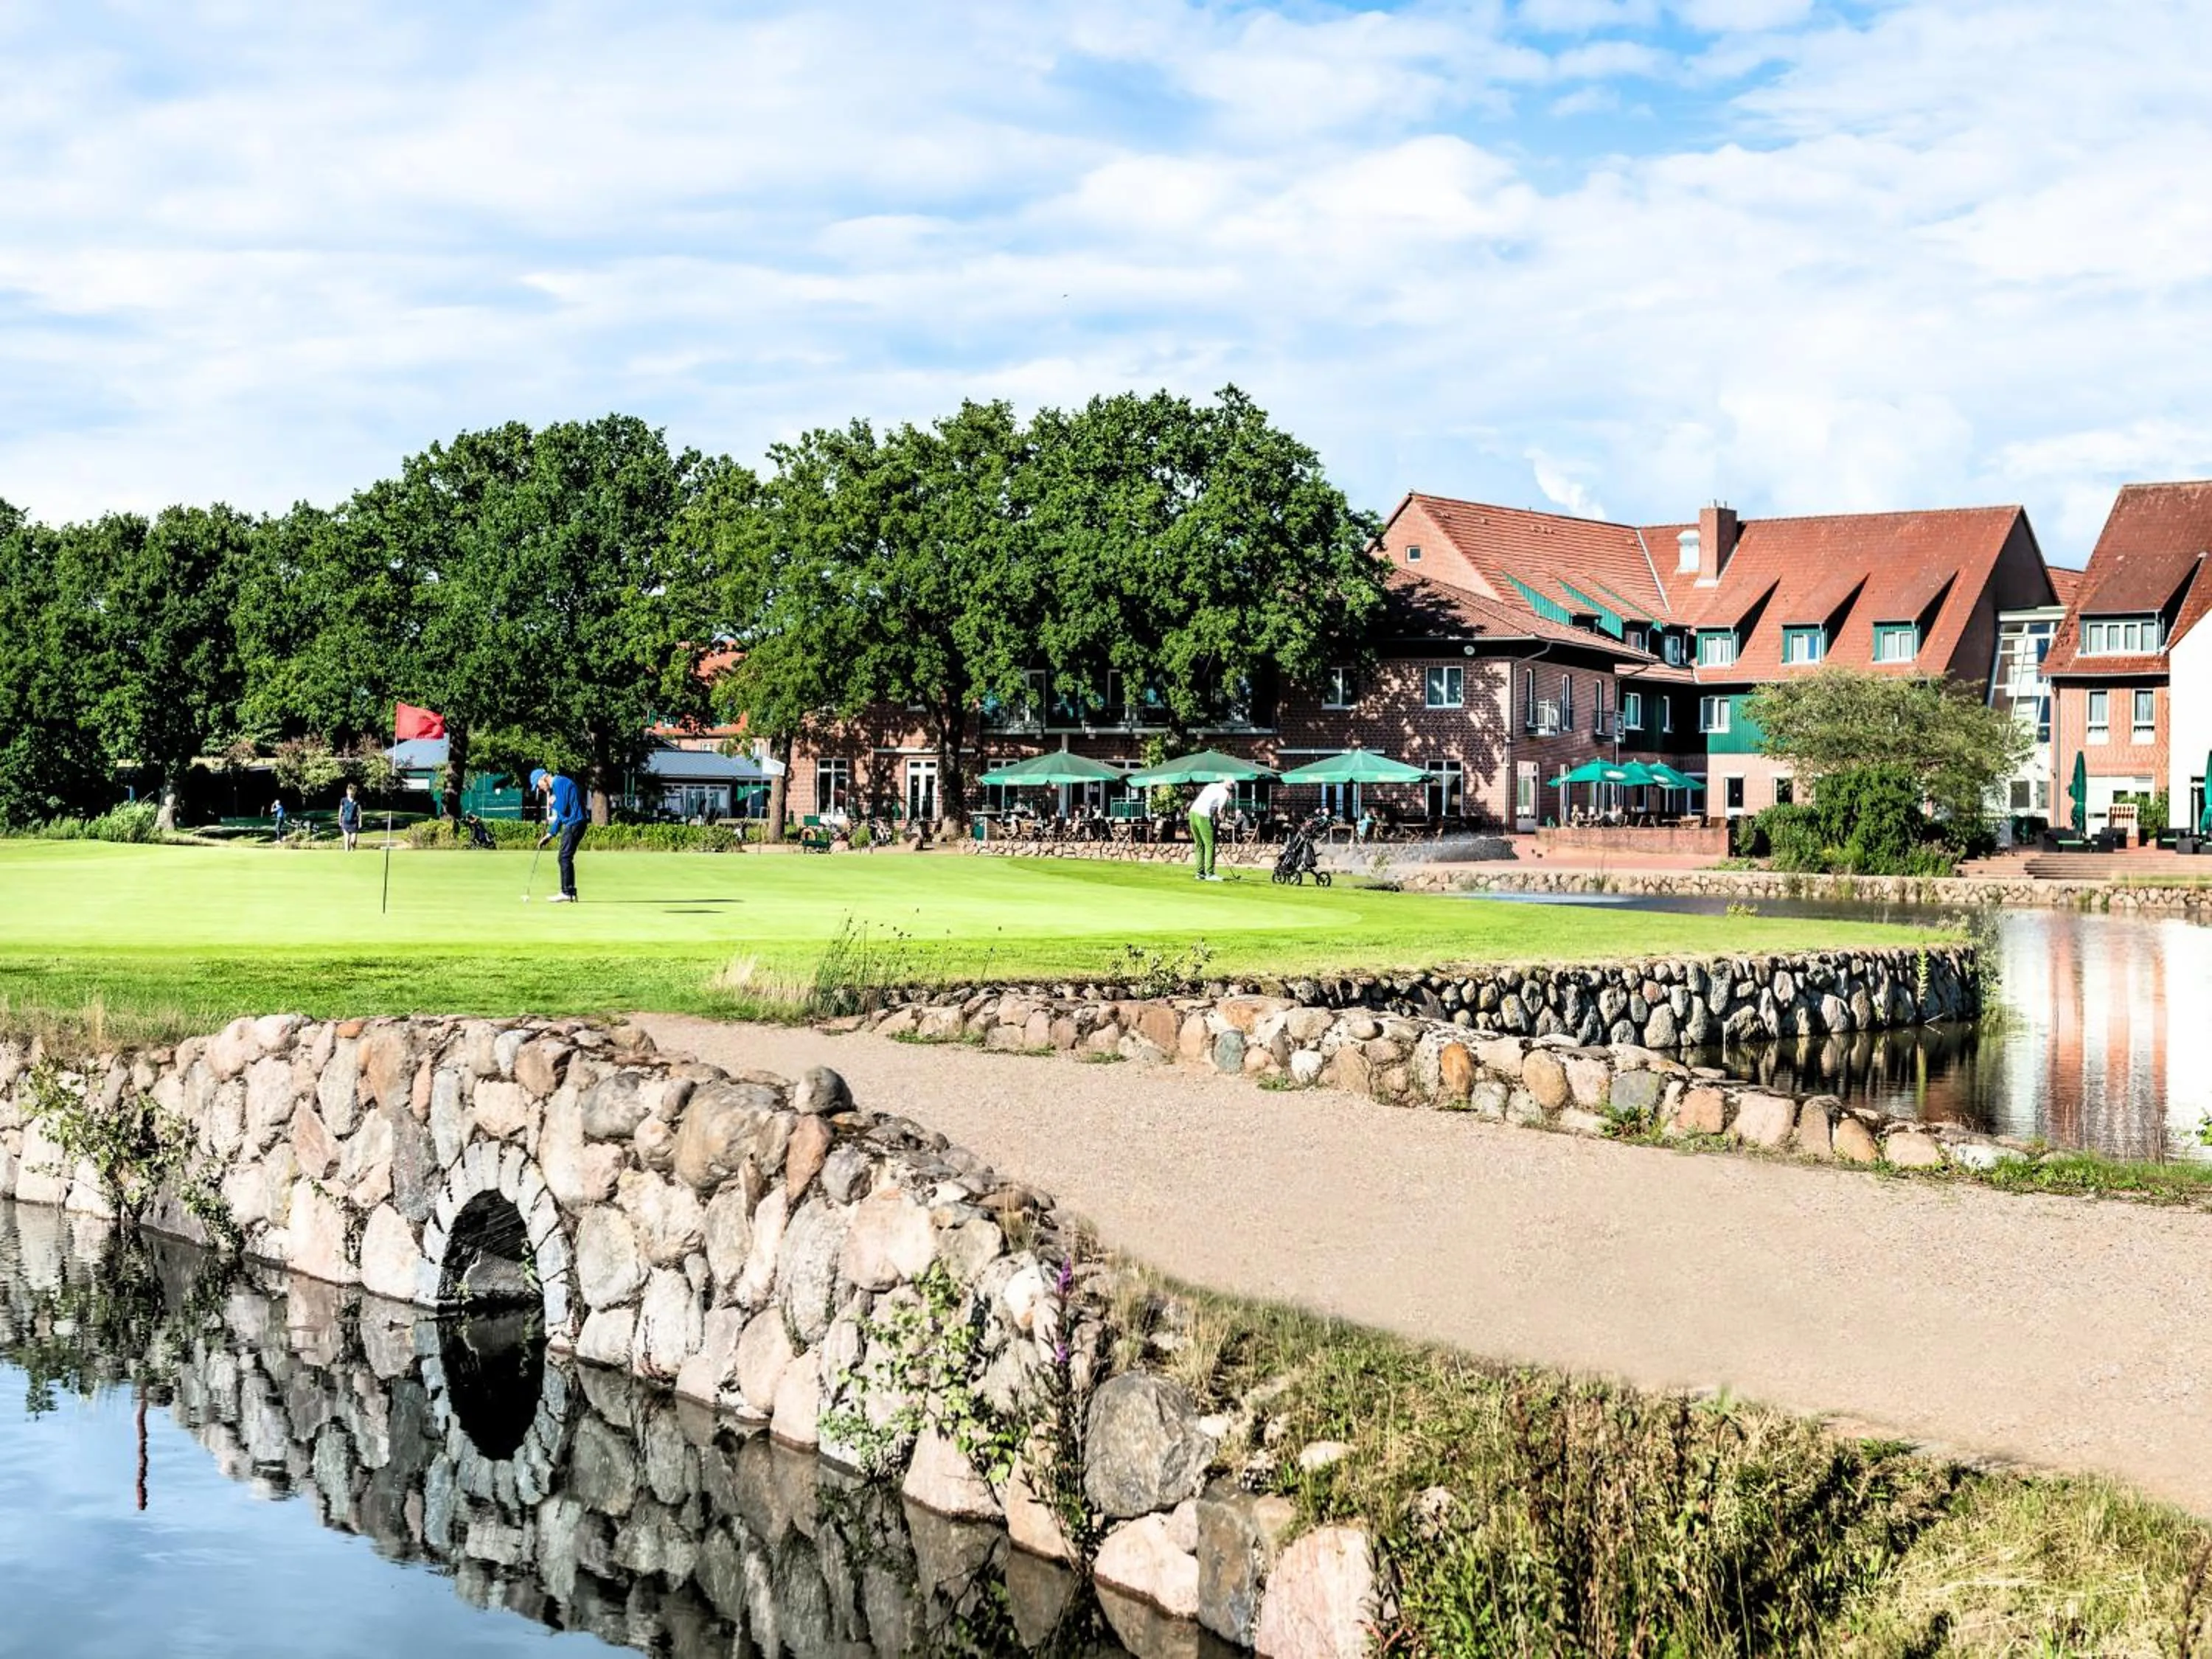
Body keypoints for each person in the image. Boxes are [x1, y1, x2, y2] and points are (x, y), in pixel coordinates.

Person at [532, 768, 586, 903]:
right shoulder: (558, 786)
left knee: (564, 857)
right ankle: (569, 892)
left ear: (542, 779)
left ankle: (567, 893)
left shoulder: (560, 783)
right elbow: (561, 817)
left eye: (539, 786)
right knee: (564, 857)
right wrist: (550, 835)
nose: (541, 789)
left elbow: (562, 809)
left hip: (575, 823)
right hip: (574, 823)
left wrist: (552, 802)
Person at [1189, 779, 1232, 882]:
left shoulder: (1211, 785)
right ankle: (1210, 874)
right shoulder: (1225, 793)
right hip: (1203, 815)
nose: (1232, 788)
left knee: (1199, 844)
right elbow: (1219, 813)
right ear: (1228, 784)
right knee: (1210, 844)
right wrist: (1217, 827)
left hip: (1192, 813)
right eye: (1232, 786)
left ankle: (1200, 873)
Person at [338, 784, 361, 852]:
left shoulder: (356, 802)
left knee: (353, 841)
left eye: (353, 792)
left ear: (354, 792)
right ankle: (346, 853)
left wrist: (360, 822)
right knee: (347, 839)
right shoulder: (343, 800)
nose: (351, 793)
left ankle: (352, 850)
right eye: (350, 791)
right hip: (345, 822)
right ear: (347, 791)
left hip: (354, 823)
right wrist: (339, 821)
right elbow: (340, 811)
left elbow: (360, 813)